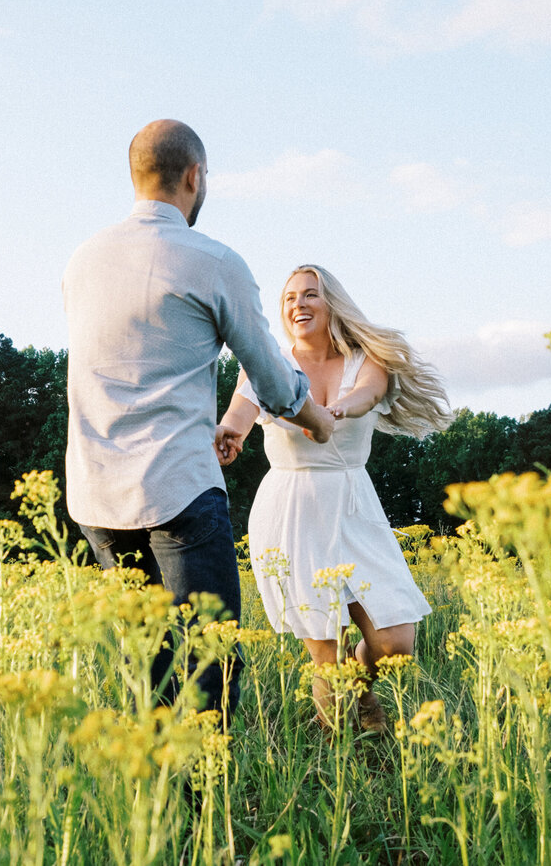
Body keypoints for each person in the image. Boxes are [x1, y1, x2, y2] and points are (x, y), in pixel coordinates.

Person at [62, 120, 335, 718]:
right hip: (177, 486)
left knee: (148, 668)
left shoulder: (83, 260)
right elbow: (268, 371)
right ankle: (201, 808)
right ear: (195, 176)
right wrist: (318, 420)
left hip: (96, 493)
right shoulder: (212, 259)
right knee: (206, 665)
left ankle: (156, 805)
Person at [216, 265, 451, 733]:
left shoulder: (368, 361)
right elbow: (244, 405)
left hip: (353, 504)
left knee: (395, 640)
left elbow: (366, 395)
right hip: (291, 506)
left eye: (310, 295)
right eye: (289, 298)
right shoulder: (269, 363)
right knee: (325, 648)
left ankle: (359, 693)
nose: (298, 304)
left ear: (332, 304)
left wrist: (332, 410)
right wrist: (232, 432)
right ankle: (340, 763)